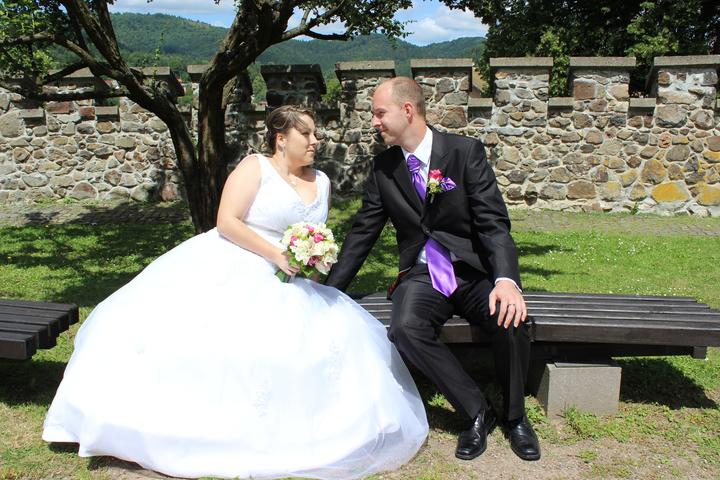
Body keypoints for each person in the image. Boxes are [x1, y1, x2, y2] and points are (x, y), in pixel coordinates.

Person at [43, 105, 428, 479]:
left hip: (296, 280)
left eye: (315, 133)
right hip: (238, 262)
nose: (315, 140)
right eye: (306, 133)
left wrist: (314, 257)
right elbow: (227, 221)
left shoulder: (321, 181)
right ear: (281, 138)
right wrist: (276, 255)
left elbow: (314, 233)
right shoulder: (254, 167)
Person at [325, 77, 541, 461]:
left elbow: (493, 224)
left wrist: (506, 280)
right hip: (423, 275)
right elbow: (362, 234)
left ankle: (515, 417)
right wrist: (329, 290)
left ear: (407, 110)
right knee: (404, 329)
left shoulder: (464, 153)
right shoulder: (384, 168)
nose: (374, 121)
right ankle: (477, 411)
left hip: (471, 271)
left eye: (380, 113)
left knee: (510, 320)